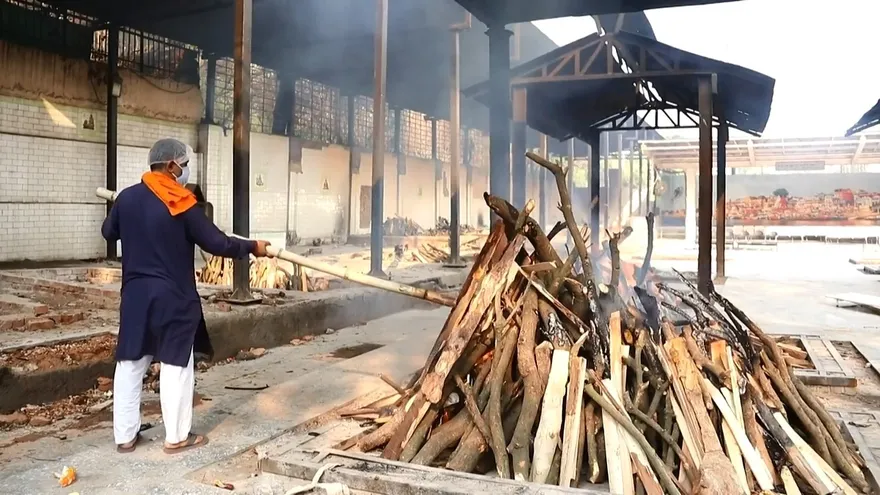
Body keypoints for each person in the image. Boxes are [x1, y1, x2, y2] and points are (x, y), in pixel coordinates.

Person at [101, 138, 271, 454]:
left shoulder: (126, 199)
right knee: (176, 364)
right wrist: (253, 247)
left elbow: (108, 233)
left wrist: (125, 214)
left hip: (136, 297)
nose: (186, 172)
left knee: (130, 363)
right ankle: (177, 436)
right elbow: (219, 243)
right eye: (185, 164)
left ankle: (125, 436)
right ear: (171, 166)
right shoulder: (182, 203)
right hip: (173, 297)